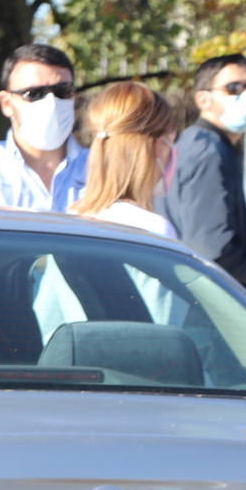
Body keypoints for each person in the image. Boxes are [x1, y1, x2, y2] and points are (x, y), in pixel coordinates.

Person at [162, 53, 246, 296]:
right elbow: (214, 249)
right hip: (203, 300)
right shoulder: (207, 152)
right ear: (203, 99)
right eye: (233, 88)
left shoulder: (209, 146)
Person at [67, 82, 180, 323]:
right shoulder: (152, 231)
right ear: (158, 147)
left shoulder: (68, 218)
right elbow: (163, 336)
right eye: (172, 141)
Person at [0, 43, 88, 211]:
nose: (51, 103)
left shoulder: (106, 171)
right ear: (6, 103)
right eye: (34, 93)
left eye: (62, 91)